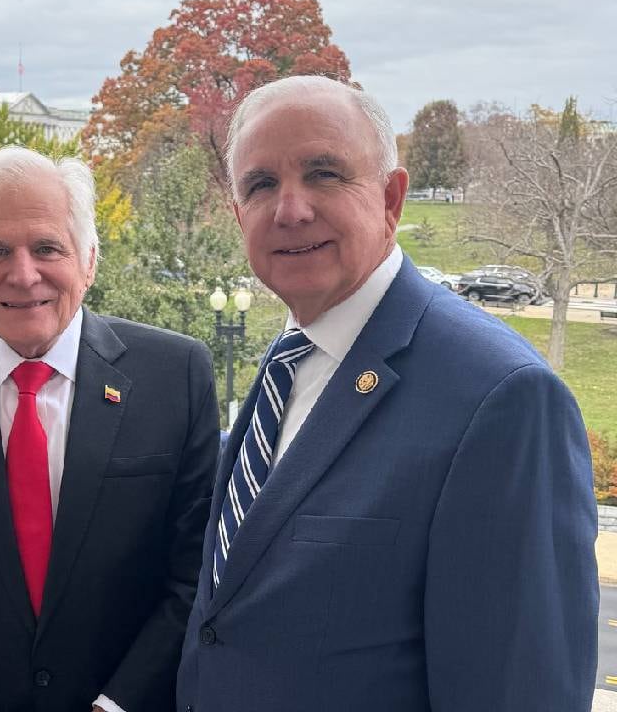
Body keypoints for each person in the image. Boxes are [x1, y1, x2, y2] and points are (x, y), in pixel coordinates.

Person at [175, 75, 597, 711]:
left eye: (323, 173)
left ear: (391, 198)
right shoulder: (293, 356)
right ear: (239, 215)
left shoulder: (502, 398)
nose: (290, 209)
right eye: (261, 184)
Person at [0, 146, 220, 712]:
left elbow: (196, 573)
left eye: (47, 248)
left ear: (90, 261)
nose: (23, 275)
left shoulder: (176, 376)